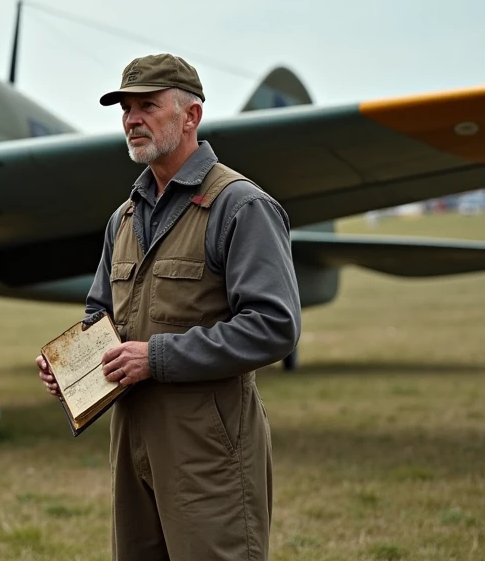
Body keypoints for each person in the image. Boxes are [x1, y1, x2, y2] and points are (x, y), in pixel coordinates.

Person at [35, 53, 301, 561]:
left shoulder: (241, 206)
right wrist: (69, 368)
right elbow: (101, 317)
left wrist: (155, 358)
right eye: (125, 108)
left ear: (190, 117)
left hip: (208, 445)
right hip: (131, 439)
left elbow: (274, 326)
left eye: (148, 106)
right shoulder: (125, 217)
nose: (132, 119)